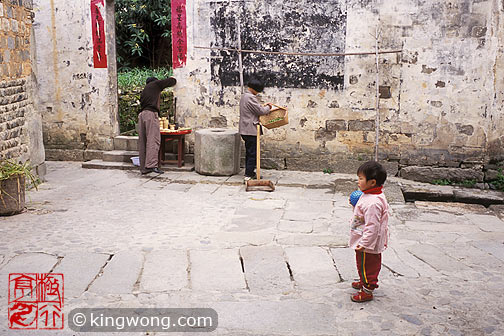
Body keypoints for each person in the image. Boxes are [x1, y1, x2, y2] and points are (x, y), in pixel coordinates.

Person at [349, 161, 389, 302]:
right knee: (362, 264)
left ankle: (367, 289)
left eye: (361, 178)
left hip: (367, 243)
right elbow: (363, 215)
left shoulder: (373, 203)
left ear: (372, 182)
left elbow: (373, 226)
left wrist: (365, 243)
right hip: (363, 238)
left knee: (368, 266)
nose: (358, 181)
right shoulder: (368, 195)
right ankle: (363, 281)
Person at [138, 76, 177, 174]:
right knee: (153, 139)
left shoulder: (145, 91)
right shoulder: (155, 85)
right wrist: (172, 77)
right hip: (151, 114)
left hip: (142, 115)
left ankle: (144, 168)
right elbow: (171, 81)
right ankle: (151, 165)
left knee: (143, 141)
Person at [238, 78, 272, 182]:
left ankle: (250, 172)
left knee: (249, 152)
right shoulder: (250, 98)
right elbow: (260, 111)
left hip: (244, 128)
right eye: (258, 91)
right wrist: (268, 107)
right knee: (253, 153)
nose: (258, 93)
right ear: (254, 89)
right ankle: (248, 175)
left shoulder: (244, 96)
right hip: (250, 129)